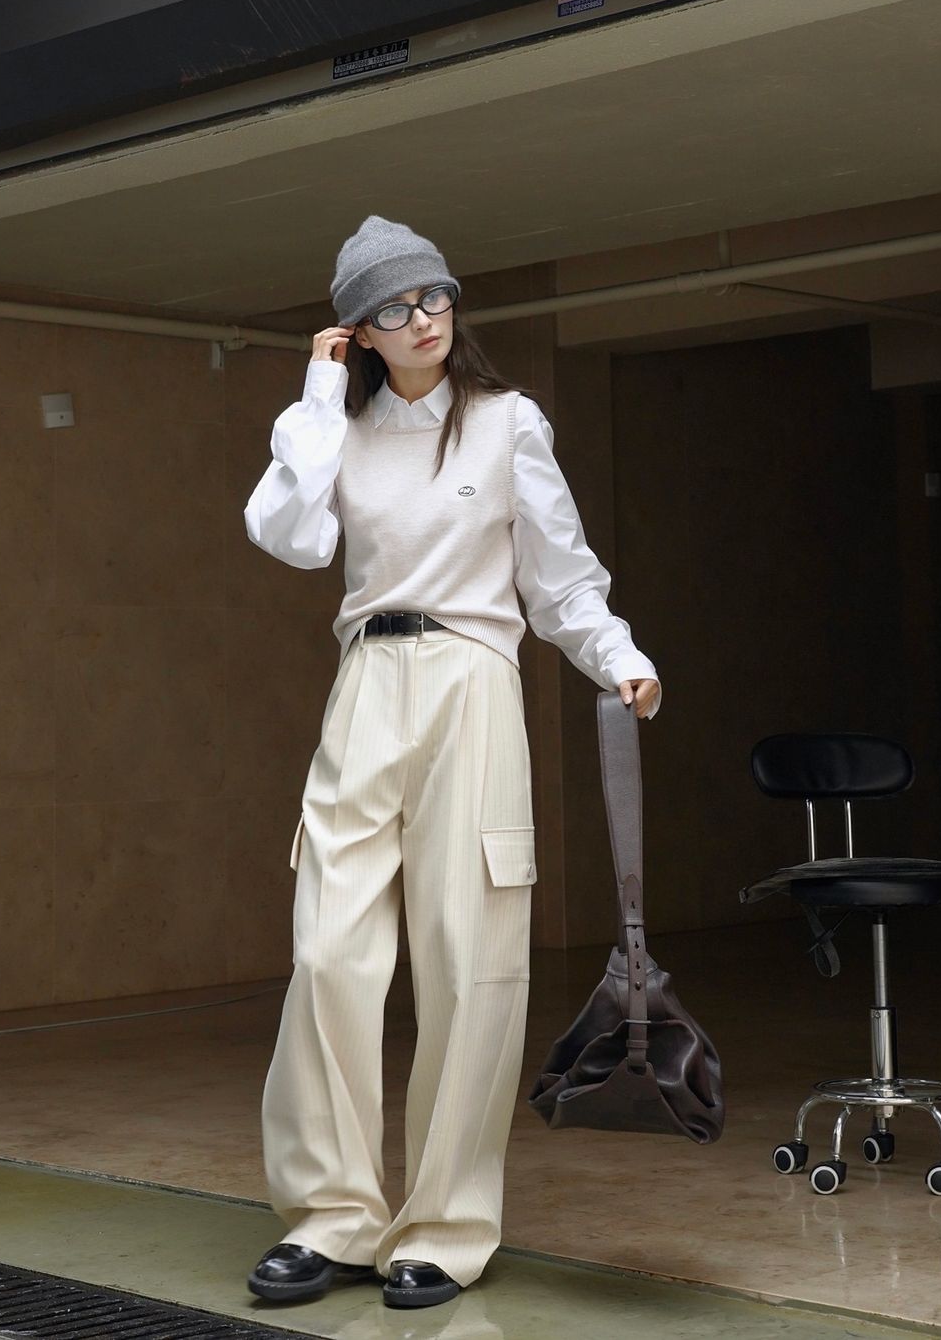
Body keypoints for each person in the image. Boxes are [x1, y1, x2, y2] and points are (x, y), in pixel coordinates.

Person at [242, 216, 661, 1311]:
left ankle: (444, 1226)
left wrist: (618, 658)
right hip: (364, 685)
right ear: (359, 332)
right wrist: (318, 400)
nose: (422, 319)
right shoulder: (338, 430)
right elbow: (290, 537)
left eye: (433, 296)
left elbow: (560, 578)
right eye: (392, 308)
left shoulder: (508, 422)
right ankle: (331, 1218)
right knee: (327, 953)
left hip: (472, 679)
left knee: (469, 960)